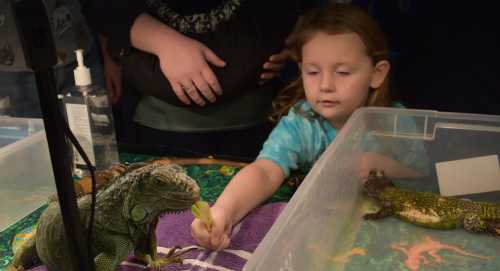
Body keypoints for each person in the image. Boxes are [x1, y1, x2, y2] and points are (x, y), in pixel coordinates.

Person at [191, 3, 424, 250]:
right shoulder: (301, 124)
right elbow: (265, 171)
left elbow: (426, 180)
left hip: (389, 239)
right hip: (324, 240)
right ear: (300, 70)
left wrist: (384, 166)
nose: (325, 85)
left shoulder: (396, 123)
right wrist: (224, 211)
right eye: (313, 72)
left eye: (343, 72)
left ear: (377, 74)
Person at [82, 1, 305, 160]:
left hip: (260, 122)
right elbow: (102, 8)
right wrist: (162, 41)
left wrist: (303, 43)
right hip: (159, 128)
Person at [0, 0, 103, 118]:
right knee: (33, 134)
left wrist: (111, 52)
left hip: (80, 53)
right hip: (15, 70)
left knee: (96, 131)